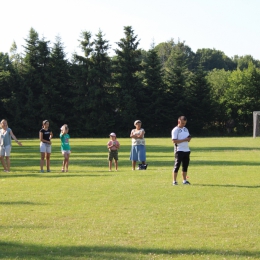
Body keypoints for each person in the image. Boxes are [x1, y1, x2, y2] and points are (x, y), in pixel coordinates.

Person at [171, 116, 192, 185]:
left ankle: (184, 180)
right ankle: (174, 181)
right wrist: (184, 140)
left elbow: (188, 137)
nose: (183, 125)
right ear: (179, 122)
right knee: (177, 165)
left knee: (185, 166)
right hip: (179, 150)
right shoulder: (175, 130)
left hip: (186, 150)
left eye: (185, 123)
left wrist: (189, 138)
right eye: (182, 123)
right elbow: (174, 141)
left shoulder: (185, 129)